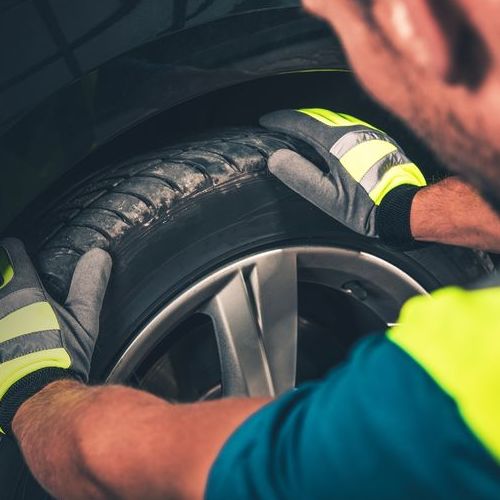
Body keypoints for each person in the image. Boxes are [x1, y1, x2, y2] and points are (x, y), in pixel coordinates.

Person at [2, 0, 500, 498]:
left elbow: (117, 467)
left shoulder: (451, 397)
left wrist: (33, 389)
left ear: (419, 30)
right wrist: (410, 212)